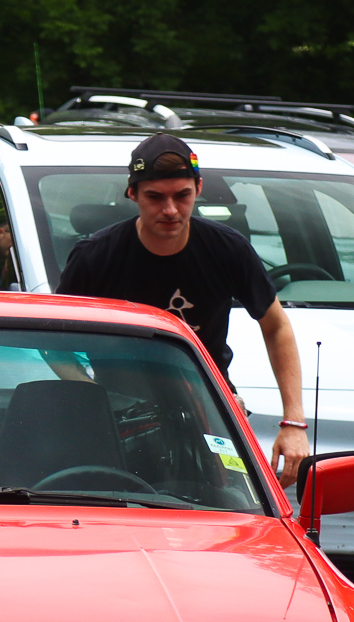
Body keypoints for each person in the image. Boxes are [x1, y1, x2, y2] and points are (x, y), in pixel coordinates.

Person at [55, 134, 311, 485]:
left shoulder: (228, 250)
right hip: (120, 410)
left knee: (237, 495)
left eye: (182, 195)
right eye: (155, 197)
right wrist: (94, 395)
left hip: (208, 404)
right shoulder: (96, 256)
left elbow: (277, 326)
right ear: (132, 193)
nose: (171, 210)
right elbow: (54, 339)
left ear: (199, 188)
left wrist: (293, 423)